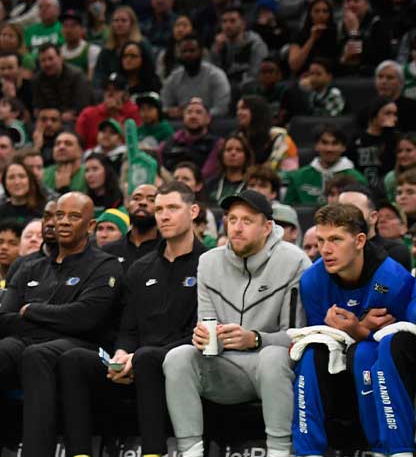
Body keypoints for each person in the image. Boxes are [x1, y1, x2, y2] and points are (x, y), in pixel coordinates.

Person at [0, 192, 121, 457]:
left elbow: (86, 318)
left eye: (74, 216)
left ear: (90, 226)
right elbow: (4, 321)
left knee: (38, 355)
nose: (64, 222)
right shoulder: (29, 268)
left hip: (83, 345)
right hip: (28, 341)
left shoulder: (105, 266)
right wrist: (55, 320)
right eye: (59, 215)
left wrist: (33, 311)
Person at [58, 182, 205, 457]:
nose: (163, 216)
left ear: (193, 211)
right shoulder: (141, 268)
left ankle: (152, 452)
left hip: (182, 361)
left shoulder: (209, 263)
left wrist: (138, 357)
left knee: (148, 358)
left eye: (173, 208)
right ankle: (79, 453)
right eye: (159, 209)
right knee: (73, 359)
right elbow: (128, 329)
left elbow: (202, 332)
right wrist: (122, 356)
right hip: (136, 362)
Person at [163, 190, 311, 457]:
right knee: (178, 357)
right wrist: (204, 337)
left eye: (247, 221)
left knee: (273, 357)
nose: (237, 228)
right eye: (232, 220)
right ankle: (190, 451)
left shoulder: (294, 260)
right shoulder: (208, 262)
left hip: (272, 367)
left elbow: (297, 336)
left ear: (267, 227)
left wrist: (255, 339)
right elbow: (205, 323)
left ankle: (280, 451)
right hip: (225, 367)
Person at [292, 203, 413, 457]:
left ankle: (391, 448)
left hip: (384, 366)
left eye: (336, 239)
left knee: (367, 354)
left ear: (359, 240)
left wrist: (359, 331)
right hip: (335, 372)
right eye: (321, 239)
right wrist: (340, 329)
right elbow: (317, 336)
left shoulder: (393, 279)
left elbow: (402, 346)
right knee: (311, 353)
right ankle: (308, 451)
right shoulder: (312, 280)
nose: (325, 249)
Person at [283, 126, 367, 205]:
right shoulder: (298, 177)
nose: (329, 149)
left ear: (343, 147)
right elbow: (288, 208)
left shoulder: (357, 179)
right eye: (324, 143)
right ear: (316, 146)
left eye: (335, 143)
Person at [101, 183, 160, 265]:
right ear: (127, 205)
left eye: (152, 200)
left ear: (160, 209)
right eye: (136, 198)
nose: (142, 202)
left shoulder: (168, 250)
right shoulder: (108, 251)